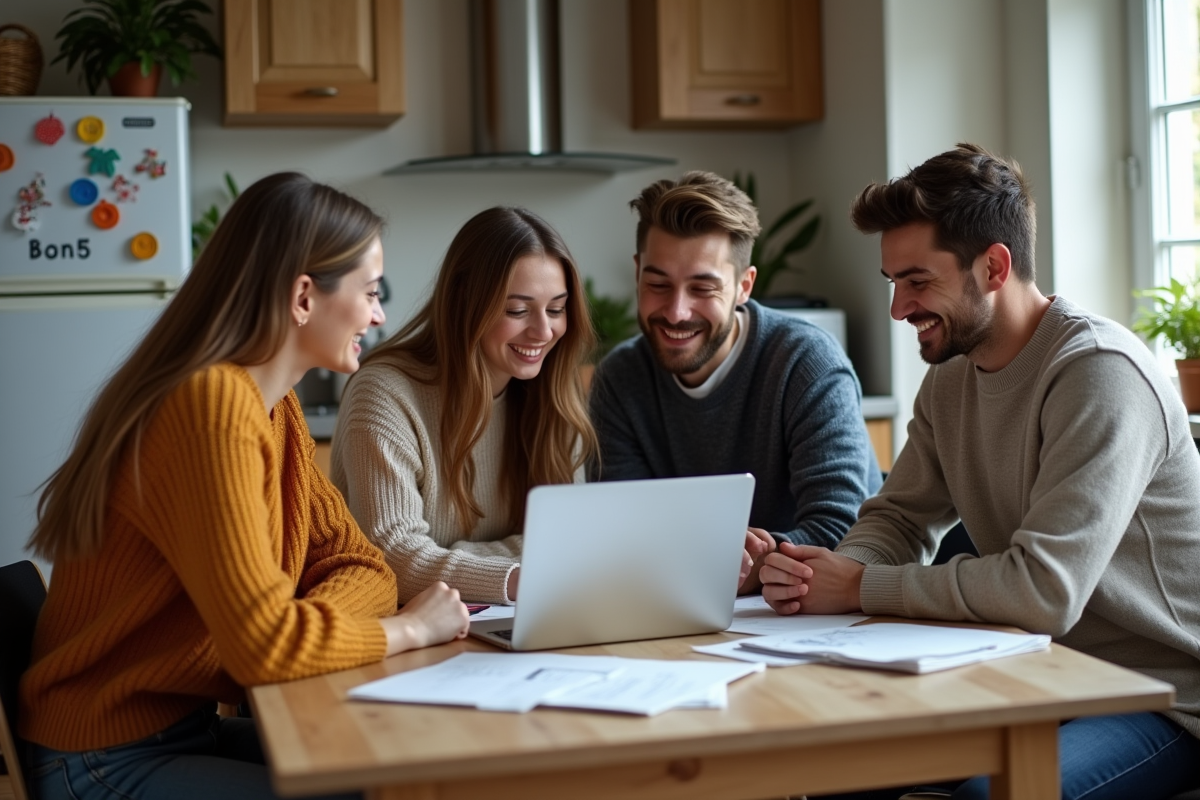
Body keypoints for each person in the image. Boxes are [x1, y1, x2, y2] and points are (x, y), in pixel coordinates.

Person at [760, 144, 1200, 800]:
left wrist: (860, 588)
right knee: (836, 764)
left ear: (993, 266)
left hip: (1162, 695)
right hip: (1041, 672)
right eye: (893, 283)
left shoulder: (1100, 374)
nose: (897, 308)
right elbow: (899, 517)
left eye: (917, 281)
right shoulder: (951, 381)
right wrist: (819, 583)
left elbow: (1042, 592)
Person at [19, 172, 471, 800]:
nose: (378, 313)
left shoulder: (273, 405)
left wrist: (297, 629)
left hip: (182, 730)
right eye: (369, 291)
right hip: (101, 758)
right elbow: (264, 649)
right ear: (303, 297)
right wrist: (409, 631)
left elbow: (363, 566)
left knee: (403, 770)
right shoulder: (210, 407)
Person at [589, 171, 881, 593]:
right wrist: (727, 561)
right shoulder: (619, 380)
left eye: (702, 288)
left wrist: (756, 561)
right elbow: (625, 534)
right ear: (637, 273)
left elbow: (845, 533)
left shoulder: (806, 363)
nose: (675, 312)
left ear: (744, 286)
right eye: (658, 285)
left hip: (807, 621)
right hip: (683, 612)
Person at [330, 207, 597, 606]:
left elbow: (572, 540)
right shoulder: (384, 394)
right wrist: (522, 573)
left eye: (556, 309)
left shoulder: (554, 394)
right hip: (411, 633)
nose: (544, 331)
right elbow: (391, 558)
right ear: (464, 304)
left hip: (514, 618)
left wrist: (449, 558)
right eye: (517, 310)